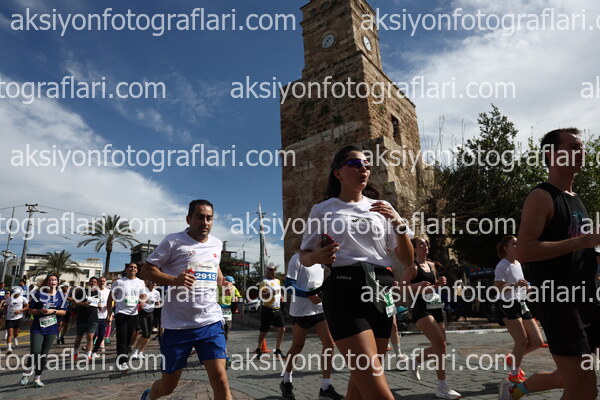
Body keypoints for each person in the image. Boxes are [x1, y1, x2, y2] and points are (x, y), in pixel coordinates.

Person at [299, 145, 413, 400]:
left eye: (366, 165)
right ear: (338, 173)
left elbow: (407, 259)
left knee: (360, 387)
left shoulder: (382, 207)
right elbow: (303, 256)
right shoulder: (323, 209)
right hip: (345, 291)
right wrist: (316, 257)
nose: (363, 169)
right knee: (374, 384)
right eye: (355, 164)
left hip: (382, 294)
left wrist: (399, 225)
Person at [504, 128, 600, 400]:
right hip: (560, 302)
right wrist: (584, 241)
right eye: (573, 147)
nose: (581, 152)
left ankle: (515, 391)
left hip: (587, 300)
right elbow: (524, 250)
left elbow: (578, 251)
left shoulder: (576, 199)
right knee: (583, 389)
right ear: (551, 155)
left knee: (574, 379)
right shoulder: (541, 196)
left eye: (581, 147)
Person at [139, 199, 231, 400]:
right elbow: (146, 270)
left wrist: (224, 283)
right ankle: (149, 396)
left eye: (209, 218)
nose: (205, 222)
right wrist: (174, 280)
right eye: (200, 217)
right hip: (178, 326)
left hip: (210, 322)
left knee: (221, 380)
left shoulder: (216, 243)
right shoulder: (173, 241)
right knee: (168, 387)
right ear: (189, 219)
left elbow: (215, 268)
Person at [280, 252, 343, 400]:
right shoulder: (297, 259)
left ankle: (325, 386)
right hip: (301, 311)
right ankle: (286, 381)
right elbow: (289, 286)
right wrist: (308, 295)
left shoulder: (321, 260)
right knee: (297, 346)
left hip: (319, 309)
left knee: (329, 344)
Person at [403, 237, 461, 399]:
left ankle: (414, 361)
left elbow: (432, 285)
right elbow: (401, 287)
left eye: (426, 243)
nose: (425, 246)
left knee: (441, 347)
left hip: (435, 306)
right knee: (440, 344)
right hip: (421, 308)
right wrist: (416, 286)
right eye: (421, 244)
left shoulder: (431, 265)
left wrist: (438, 283)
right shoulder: (412, 267)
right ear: (414, 249)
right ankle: (442, 387)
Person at [494, 235, 543, 385]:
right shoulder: (502, 265)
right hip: (507, 305)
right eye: (514, 244)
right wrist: (515, 286)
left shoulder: (518, 264)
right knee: (521, 340)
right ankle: (514, 374)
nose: (517, 246)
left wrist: (526, 288)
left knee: (537, 341)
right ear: (506, 248)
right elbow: (498, 287)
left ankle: (512, 358)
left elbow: (520, 284)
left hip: (521, 303)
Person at [20, 274, 67, 387]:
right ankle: (26, 373)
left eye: (55, 280)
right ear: (46, 282)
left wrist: (53, 311)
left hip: (51, 328)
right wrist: (40, 311)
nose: (53, 281)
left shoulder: (61, 296)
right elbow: (30, 311)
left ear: (57, 282)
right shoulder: (39, 294)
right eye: (51, 280)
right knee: (35, 352)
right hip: (38, 328)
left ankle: (37, 378)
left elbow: (64, 312)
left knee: (43, 355)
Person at [106, 263, 147, 371]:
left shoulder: (140, 282)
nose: (132, 268)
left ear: (137, 270)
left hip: (134, 313)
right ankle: (122, 362)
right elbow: (110, 298)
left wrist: (142, 302)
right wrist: (109, 313)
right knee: (122, 338)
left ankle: (121, 359)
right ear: (127, 269)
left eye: (135, 267)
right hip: (121, 312)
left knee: (129, 339)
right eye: (130, 267)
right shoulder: (119, 282)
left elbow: (143, 295)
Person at [256, 266, 286, 358]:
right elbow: (261, 296)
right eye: (271, 270)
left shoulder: (278, 281)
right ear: (267, 271)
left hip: (277, 308)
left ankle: (278, 350)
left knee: (282, 329)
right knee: (264, 331)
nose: (273, 271)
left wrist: (281, 297)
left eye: (274, 269)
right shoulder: (264, 282)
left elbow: (279, 291)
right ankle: (259, 349)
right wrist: (271, 293)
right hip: (267, 309)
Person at [72, 277, 100, 360]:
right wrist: (83, 304)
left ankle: (89, 355)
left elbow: (98, 303)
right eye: (91, 281)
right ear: (88, 283)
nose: (93, 283)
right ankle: (75, 352)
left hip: (93, 318)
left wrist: (99, 306)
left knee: (90, 337)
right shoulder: (82, 291)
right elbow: (74, 302)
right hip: (82, 318)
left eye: (95, 282)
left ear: (97, 284)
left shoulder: (98, 293)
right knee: (79, 337)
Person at [131, 280, 161, 359]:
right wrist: (142, 302)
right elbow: (138, 300)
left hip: (151, 313)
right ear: (148, 283)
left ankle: (141, 351)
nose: (154, 283)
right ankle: (134, 350)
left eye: (155, 282)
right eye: (152, 282)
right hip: (143, 312)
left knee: (148, 335)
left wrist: (159, 304)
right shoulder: (144, 291)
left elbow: (157, 302)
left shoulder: (157, 293)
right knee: (145, 333)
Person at [4, 286, 28, 354]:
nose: (16, 295)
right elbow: (5, 306)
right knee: (10, 333)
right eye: (15, 293)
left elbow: (27, 306)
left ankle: (15, 338)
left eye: (18, 293)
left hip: (18, 317)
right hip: (9, 318)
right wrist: (5, 313)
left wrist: (20, 311)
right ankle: (9, 348)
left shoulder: (22, 298)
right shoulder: (9, 299)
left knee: (16, 332)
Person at [92, 277, 111, 355]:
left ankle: (95, 351)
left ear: (106, 282)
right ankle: (90, 348)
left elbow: (112, 303)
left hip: (104, 316)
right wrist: (97, 305)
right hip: (94, 316)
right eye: (100, 281)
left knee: (101, 335)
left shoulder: (109, 291)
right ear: (98, 282)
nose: (102, 282)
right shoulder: (94, 291)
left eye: (103, 281)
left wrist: (110, 314)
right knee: (94, 333)